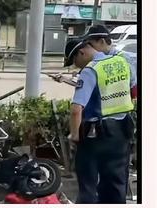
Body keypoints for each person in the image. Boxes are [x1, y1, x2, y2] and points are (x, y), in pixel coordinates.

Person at [64, 38, 135, 204]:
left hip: (96, 134)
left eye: (74, 61)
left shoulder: (90, 70)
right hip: (122, 130)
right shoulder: (121, 62)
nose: (76, 66)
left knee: (88, 183)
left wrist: (74, 135)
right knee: (116, 182)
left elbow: (76, 109)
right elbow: (132, 88)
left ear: (82, 52)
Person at [82, 24, 137, 99]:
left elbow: (132, 87)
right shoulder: (98, 61)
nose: (90, 48)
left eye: (91, 44)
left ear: (102, 41)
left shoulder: (123, 59)